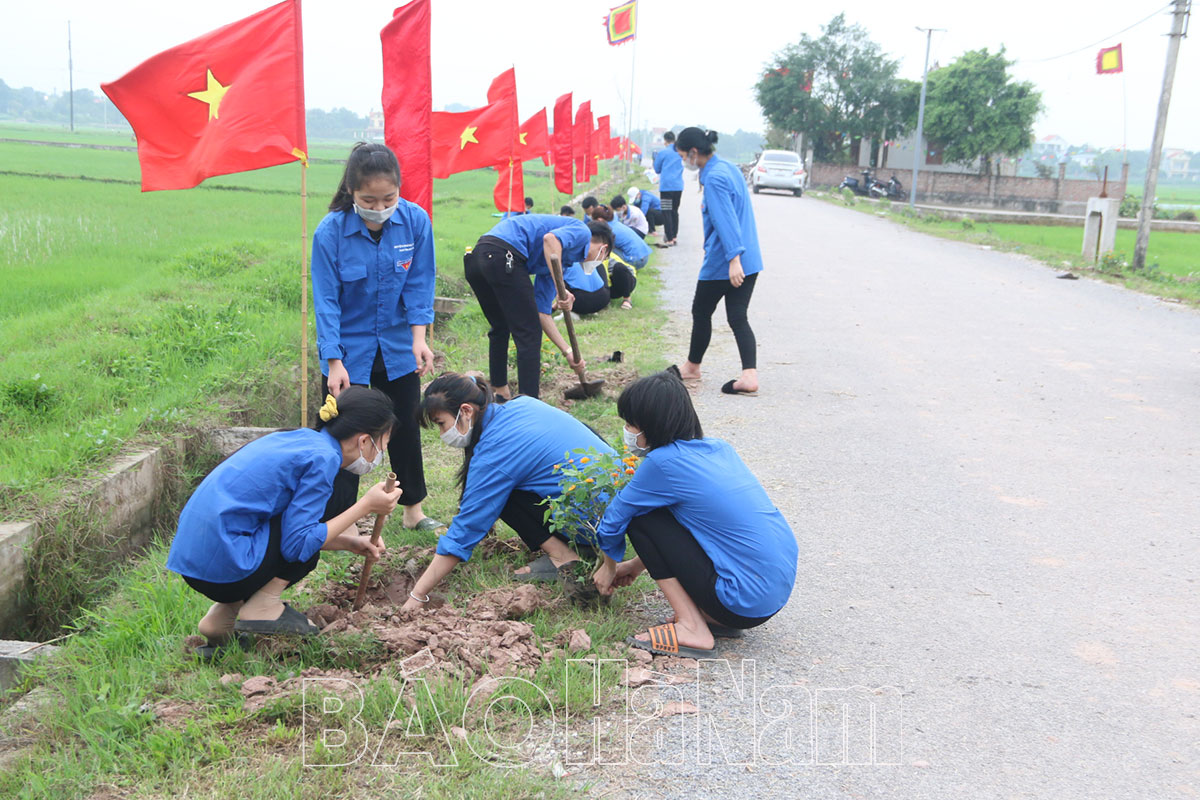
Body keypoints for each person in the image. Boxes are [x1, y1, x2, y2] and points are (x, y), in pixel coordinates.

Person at [167, 388, 403, 658]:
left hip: (195, 559)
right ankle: (262, 606)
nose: (379, 456)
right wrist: (365, 506)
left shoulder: (302, 438)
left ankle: (222, 618)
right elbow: (297, 545)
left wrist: (350, 542)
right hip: (227, 565)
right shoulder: (323, 459)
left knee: (295, 525)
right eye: (380, 448)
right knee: (306, 545)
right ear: (363, 441)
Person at [591, 371, 797, 658]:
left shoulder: (662, 463)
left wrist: (609, 567)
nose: (627, 431)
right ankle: (713, 618)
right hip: (769, 595)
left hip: (742, 600)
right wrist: (637, 565)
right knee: (665, 511)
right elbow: (705, 530)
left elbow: (615, 519)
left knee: (641, 518)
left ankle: (692, 627)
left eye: (630, 423)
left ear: (650, 424)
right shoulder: (719, 449)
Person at [311, 142, 442, 531]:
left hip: (399, 347)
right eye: (369, 199)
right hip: (348, 353)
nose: (380, 207)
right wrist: (334, 361)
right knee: (345, 434)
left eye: (389, 198)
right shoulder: (330, 233)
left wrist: (419, 339)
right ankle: (340, 519)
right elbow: (326, 302)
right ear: (351, 192)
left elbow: (419, 285)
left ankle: (412, 510)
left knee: (402, 425)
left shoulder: (415, 223)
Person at [400, 374, 615, 611]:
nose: (442, 433)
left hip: (594, 524)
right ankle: (576, 546)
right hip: (614, 506)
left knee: (501, 495)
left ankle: (565, 557)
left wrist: (417, 594)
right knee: (505, 487)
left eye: (441, 423)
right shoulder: (521, 404)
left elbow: (466, 528)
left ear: (466, 411)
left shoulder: (496, 453)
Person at [465, 214, 613, 399]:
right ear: (603, 248)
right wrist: (561, 288)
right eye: (603, 258)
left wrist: (567, 351)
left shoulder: (560, 262)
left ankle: (500, 392)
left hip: (479, 262)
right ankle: (530, 403)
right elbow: (550, 240)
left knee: (501, 326)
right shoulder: (582, 232)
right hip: (502, 255)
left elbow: (542, 313)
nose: (599, 262)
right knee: (529, 333)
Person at [674, 128, 763, 396]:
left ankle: (692, 367)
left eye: (683, 156)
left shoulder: (714, 178)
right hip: (751, 259)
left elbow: (726, 221)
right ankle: (749, 375)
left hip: (725, 260)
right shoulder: (729, 167)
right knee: (737, 316)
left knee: (701, 311)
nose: (684, 162)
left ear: (693, 152)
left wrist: (733, 259)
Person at [588, 205, 645, 310]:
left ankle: (627, 299)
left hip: (633, 264)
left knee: (617, 267)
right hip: (642, 255)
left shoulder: (607, 232)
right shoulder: (613, 225)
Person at [654, 130, 684, 246]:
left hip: (666, 187)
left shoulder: (663, 153)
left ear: (665, 141)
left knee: (666, 211)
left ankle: (669, 238)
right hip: (678, 187)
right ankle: (675, 236)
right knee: (675, 211)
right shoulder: (680, 152)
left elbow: (657, 169)